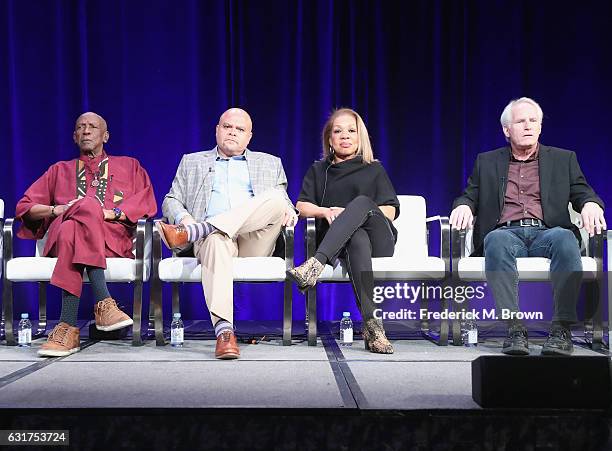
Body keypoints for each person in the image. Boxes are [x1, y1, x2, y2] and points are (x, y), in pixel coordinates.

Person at [450, 97, 606, 356]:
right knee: (495, 241)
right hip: (506, 233)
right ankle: (514, 328)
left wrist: (590, 203)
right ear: (506, 130)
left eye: (533, 121)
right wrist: (463, 205)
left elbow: (582, 192)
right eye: (520, 121)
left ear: (541, 127)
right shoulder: (487, 161)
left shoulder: (563, 159)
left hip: (548, 232)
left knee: (566, 238)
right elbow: (470, 194)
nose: (528, 126)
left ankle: (561, 329)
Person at [158, 108, 297, 360]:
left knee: (276, 199)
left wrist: (289, 211)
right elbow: (170, 200)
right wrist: (184, 218)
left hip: (254, 240)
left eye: (239, 129)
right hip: (214, 243)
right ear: (217, 130)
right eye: (227, 126)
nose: (232, 132)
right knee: (214, 238)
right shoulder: (192, 161)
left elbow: (285, 202)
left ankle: (200, 228)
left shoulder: (270, 162)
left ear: (249, 137)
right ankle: (224, 332)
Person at [15, 112, 157, 357]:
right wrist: (55, 209)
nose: (86, 131)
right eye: (81, 127)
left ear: (106, 136)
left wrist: (109, 213)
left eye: (93, 127)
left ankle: (67, 327)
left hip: (111, 241)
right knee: (76, 218)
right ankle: (104, 303)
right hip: (62, 240)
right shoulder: (59, 170)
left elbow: (146, 202)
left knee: (76, 222)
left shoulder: (129, 166)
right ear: (74, 136)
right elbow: (24, 207)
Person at [286, 108, 400, 354]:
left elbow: (391, 210)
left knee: (360, 204)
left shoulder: (374, 169)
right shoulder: (319, 170)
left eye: (351, 131)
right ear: (330, 139)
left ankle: (315, 265)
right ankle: (373, 327)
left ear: (360, 138)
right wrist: (325, 212)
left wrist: (353, 213)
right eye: (338, 131)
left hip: (380, 239)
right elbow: (301, 206)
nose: (345, 136)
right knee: (356, 238)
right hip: (344, 245)